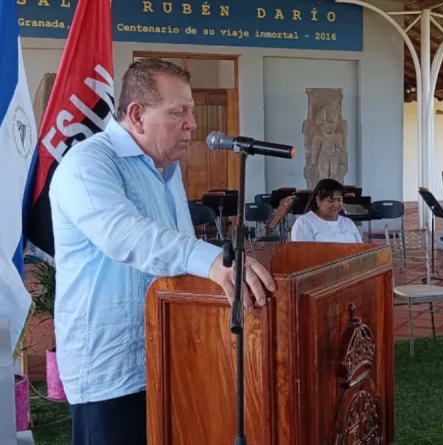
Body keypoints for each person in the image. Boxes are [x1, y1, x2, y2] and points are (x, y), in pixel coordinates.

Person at [49, 58, 276, 445]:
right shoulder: (88, 164)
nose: (192, 123)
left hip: (169, 353)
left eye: (190, 111)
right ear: (137, 115)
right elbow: (126, 235)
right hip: (112, 369)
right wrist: (212, 262)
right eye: (178, 112)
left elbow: (171, 257)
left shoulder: (166, 169)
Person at [291, 178, 363, 243]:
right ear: (318, 200)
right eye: (331, 201)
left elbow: (362, 250)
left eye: (339, 200)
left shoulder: (348, 223)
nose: (336, 204)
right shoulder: (305, 223)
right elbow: (302, 254)